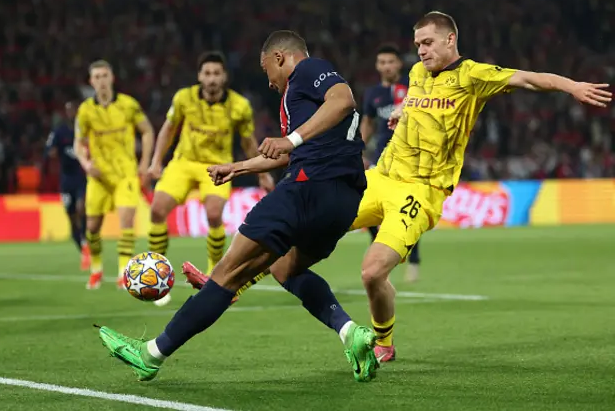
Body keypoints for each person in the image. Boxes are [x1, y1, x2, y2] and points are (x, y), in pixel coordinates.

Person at [181, 11, 612, 365]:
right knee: (299, 223)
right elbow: (419, 104)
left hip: (421, 191)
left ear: (450, 40)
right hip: (380, 178)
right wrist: (404, 114)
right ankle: (231, 284)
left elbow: (529, 78)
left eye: (427, 42)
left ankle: (383, 339)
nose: (421, 50)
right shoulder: (417, 75)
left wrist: (571, 85)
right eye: (418, 44)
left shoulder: (474, 75)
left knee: (371, 271)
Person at [96, 31, 380, 383]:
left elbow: (343, 100)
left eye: (267, 72)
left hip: (306, 189)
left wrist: (289, 138)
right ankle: (350, 332)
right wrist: (239, 167)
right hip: (343, 201)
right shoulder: (303, 105)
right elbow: (292, 152)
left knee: (225, 275)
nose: (270, 82)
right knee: (284, 269)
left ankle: (151, 353)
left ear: (279, 57)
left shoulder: (308, 71)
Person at [147, 51, 274, 307]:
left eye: (217, 73)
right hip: (184, 162)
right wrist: (156, 161)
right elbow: (168, 130)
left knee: (214, 214)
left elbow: (248, 142)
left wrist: (262, 173)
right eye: (207, 73)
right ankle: (156, 275)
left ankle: (213, 276)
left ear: (224, 76)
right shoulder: (184, 98)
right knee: (157, 209)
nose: (212, 78)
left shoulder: (239, 106)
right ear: (199, 76)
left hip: (217, 165)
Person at [73, 60, 155, 290]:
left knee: (127, 221)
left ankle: (123, 272)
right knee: (92, 227)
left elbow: (147, 130)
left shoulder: (128, 105)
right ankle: (97, 269)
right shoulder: (85, 110)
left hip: (125, 173)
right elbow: (78, 143)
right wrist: (86, 163)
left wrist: (145, 161)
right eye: (96, 77)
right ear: (91, 82)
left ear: (112, 78)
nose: (101, 80)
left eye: (104, 75)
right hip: (98, 176)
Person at [360, 44, 421, 284]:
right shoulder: (372, 93)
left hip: (410, 159)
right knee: (374, 213)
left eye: (390, 62)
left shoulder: (412, 88)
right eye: (382, 62)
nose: (386, 66)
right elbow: (367, 122)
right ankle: (380, 258)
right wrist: (360, 151)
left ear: (398, 64)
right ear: (377, 66)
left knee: (406, 211)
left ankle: (413, 259)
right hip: (381, 160)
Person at [45, 100, 90, 270]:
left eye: (73, 109)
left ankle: (86, 241)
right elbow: (49, 151)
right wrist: (53, 152)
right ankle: (83, 250)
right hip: (66, 180)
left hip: (82, 177)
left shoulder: (85, 131)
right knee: (71, 218)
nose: (71, 113)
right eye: (68, 110)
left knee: (81, 207)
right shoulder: (59, 132)